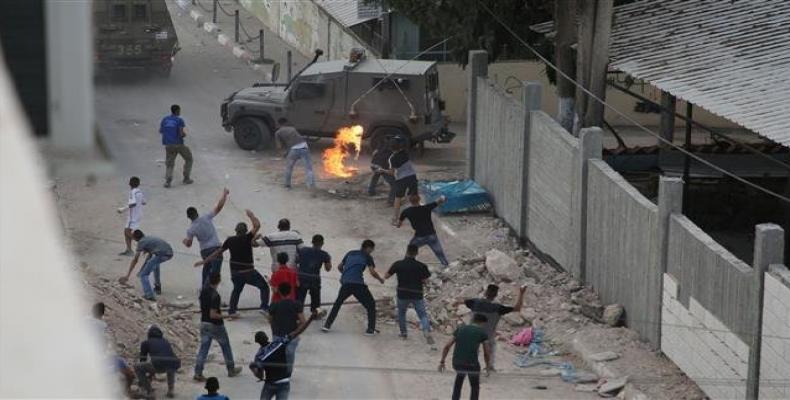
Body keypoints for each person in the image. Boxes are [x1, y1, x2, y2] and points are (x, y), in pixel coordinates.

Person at [197, 210, 270, 317]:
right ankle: (264, 307)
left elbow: (218, 252)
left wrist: (204, 261)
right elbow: (257, 225)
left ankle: (232, 311)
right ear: (245, 231)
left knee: (236, 290)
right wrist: (251, 215)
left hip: (235, 273)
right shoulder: (247, 238)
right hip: (248, 271)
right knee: (264, 287)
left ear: (236, 231)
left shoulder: (230, 240)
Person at [457, 284, 526, 370]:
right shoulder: (498, 308)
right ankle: (489, 367)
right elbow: (517, 308)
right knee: (491, 348)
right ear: (496, 295)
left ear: (486, 292)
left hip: (474, 333)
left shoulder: (475, 302)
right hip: (488, 335)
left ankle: (470, 366)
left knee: (473, 351)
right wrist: (521, 293)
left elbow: (460, 301)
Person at [322, 240, 385, 335]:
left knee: (337, 304)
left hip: (346, 283)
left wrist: (345, 275)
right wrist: (380, 279)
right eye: (372, 249)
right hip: (358, 284)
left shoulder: (350, 253)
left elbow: (339, 267)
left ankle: (327, 325)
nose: (371, 251)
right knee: (371, 305)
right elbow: (372, 272)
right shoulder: (367, 256)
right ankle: (370, 330)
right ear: (368, 248)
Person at [249, 315, 315, 400]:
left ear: (256, 342)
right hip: (284, 383)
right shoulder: (279, 343)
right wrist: (310, 319)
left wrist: (252, 368)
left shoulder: (259, 356)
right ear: (267, 337)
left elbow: (260, 376)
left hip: (270, 384)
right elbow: (297, 332)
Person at [194, 273, 243, 381]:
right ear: (218, 281)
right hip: (216, 325)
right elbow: (213, 314)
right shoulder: (215, 295)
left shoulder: (203, 291)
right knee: (225, 346)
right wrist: (229, 315)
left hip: (204, 323)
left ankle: (198, 372)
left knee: (203, 349)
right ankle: (231, 369)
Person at [384, 245, 435, 346]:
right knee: (423, 315)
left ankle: (403, 333)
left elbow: (386, 276)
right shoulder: (421, 266)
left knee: (402, 314)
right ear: (416, 253)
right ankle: (426, 331)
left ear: (406, 251)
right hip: (417, 294)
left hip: (402, 294)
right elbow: (426, 281)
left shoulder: (398, 264)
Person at [438, 314, 492, 400]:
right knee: (475, 386)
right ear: (482, 323)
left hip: (457, 362)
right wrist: (488, 366)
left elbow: (447, 346)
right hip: (472, 364)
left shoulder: (460, 329)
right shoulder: (482, 332)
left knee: (458, 382)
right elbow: (487, 352)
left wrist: (442, 362)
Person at [184, 188, 229, 287]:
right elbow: (219, 207)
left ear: (188, 217)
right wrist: (224, 195)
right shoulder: (206, 217)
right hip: (216, 248)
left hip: (204, 251)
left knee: (207, 268)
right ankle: (212, 290)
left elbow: (189, 244)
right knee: (215, 272)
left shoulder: (191, 229)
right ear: (197, 212)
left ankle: (204, 288)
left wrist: (185, 241)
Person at [397, 194, 450, 268]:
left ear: (410, 201)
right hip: (431, 235)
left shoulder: (406, 211)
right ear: (419, 199)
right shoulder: (426, 207)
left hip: (419, 237)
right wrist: (443, 196)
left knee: (410, 251)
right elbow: (440, 200)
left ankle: (407, 265)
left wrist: (397, 224)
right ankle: (445, 264)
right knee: (439, 251)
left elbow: (398, 225)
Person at [120, 230, 173, 300]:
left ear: (135, 238)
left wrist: (128, 275)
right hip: (168, 252)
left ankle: (149, 295)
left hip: (162, 254)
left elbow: (135, 260)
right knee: (155, 265)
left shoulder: (141, 242)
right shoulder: (146, 238)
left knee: (143, 275)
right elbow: (150, 254)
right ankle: (157, 288)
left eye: (132, 237)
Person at [268, 282, 306, 375]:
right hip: (292, 335)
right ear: (291, 291)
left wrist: (275, 329)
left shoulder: (274, 305)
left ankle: (278, 374)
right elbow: (303, 322)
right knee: (289, 355)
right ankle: (287, 374)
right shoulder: (296, 304)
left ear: (279, 292)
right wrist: (296, 332)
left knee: (278, 355)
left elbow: (270, 320)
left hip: (278, 335)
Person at [135, 325, 181, 398]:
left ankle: (149, 391)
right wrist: (151, 374)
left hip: (159, 364)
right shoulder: (165, 341)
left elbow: (142, 359)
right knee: (169, 364)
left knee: (137, 367)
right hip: (175, 363)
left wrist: (145, 378)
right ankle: (171, 390)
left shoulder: (146, 342)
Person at [295, 234, 332, 317]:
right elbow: (328, 269)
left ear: (312, 242)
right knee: (315, 299)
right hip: (314, 279)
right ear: (322, 243)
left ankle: (298, 314)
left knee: (300, 297)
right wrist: (329, 259)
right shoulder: (324, 254)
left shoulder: (303, 250)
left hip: (302, 277)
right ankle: (315, 313)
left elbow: (296, 261)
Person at [386, 136, 418, 225]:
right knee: (414, 196)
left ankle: (395, 218)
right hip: (412, 176)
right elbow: (402, 140)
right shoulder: (405, 152)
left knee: (398, 198)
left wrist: (383, 170)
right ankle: (419, 216)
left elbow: (392, 173)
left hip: (401, 179)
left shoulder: (392, 158)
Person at [275, 117, 314, 189]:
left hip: (293, 150)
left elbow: (280, 146)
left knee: (289, 168)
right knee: (308, 168)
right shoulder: (292, 129)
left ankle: (287, 185)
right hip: (304, 147)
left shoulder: (277, 133)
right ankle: (311, 186)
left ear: (279, 124)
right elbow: (297, 140)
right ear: (286, 123)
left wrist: (284, 153)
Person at [160, 104, 193, 188]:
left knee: (170, 163)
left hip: (168, 144)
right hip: (178, 144)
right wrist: (184, 135)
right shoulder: (179, 120)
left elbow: (161, 131)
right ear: (177, 111)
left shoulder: (165, 119)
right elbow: (181, 133)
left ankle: (168, 181)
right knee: (189, 158)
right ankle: (186, 178)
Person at [119, 176, 146, 256]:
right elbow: (144, 202)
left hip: (133, 216)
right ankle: (129, 250)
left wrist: (123, 209)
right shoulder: (140, 192)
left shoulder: (132, 192)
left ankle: (145, 244)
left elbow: (133, 203)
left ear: (130, 183)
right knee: (126, 232)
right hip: (138, 215)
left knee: (127, 232)